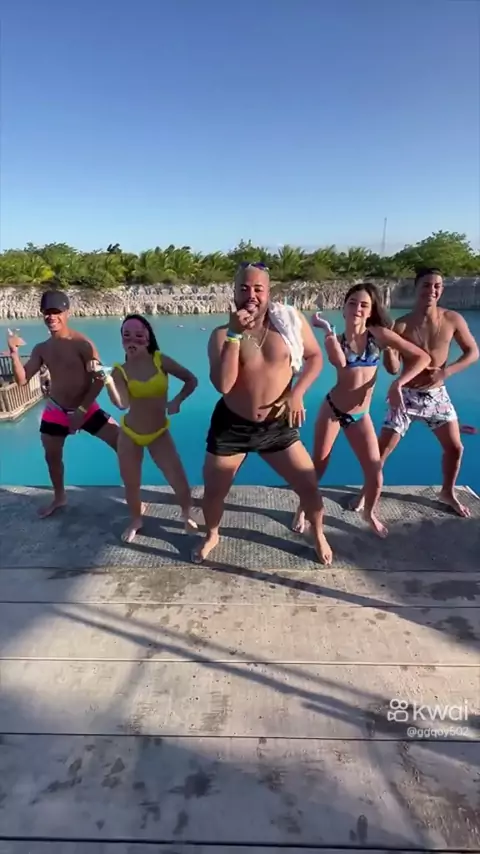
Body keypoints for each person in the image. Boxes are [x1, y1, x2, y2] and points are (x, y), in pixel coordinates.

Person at [192, 262, 333, 566]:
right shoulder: (220, 335)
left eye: (258, 288)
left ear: (269, 292)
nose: (251, 295)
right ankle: (212, 534)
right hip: (232, 427)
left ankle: (318, 533)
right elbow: (224, 385)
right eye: (244, 288)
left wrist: (297, 393)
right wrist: (234, 334)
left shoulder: (289, 323)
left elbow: (314, 357)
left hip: (277, 425)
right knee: (214, 493)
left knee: (309, 486)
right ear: (234, 292)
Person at [292, 284, 431, 538]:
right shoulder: (337, 341)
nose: (357, 309)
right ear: (344, 308)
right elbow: (340, 362)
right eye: (352, 303)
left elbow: (423, 358)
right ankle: (302, 508)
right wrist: (327, 330)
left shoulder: (378, 335)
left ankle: (369, 513)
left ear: (370, 311)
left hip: (360, 415)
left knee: (375, 473)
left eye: (364, 305)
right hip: (333, 410)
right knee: (318, 467)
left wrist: (398, 383)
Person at [352, 268, 479, 518]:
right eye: (426, 285)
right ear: (416, 288)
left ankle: (447, 492)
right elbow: (393, 369)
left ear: (441, 289)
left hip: (437, 395)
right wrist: (389, 350)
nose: (432, 290)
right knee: (381, 451)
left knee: (455, 448)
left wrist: (446, 372)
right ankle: (367, 490)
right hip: (406, 396)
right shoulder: (401, 324)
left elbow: (473, 352)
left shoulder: (452, 319)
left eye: (437, 286)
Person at [7, 290, 118, 518]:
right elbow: (22, 380)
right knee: (52, 457)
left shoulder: (82, 344)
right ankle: (59, 497)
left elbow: (99, 379)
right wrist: (14, 353)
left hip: (85, 408)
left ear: (67, 313)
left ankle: (134, 497)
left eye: (56, 312)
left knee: (124, 444)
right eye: (47, 312)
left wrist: (81, 411)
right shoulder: (41, 348)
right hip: (56, 410)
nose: (51, 317)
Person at [104, 313, 198, 542]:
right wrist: (108, 382)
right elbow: (122, 404)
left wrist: (177, 401)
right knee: (131, 483)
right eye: (127, 335)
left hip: (158, 432)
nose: (132, 340)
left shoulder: (160, 360)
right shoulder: (119, 371)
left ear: (148, 338)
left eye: (138, 335)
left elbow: (191, 379)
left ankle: (187, 514)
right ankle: (136, 519)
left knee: (177, 477)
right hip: (130, 433)